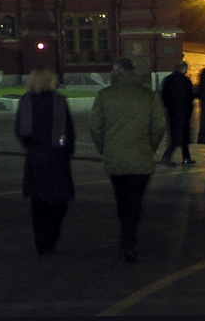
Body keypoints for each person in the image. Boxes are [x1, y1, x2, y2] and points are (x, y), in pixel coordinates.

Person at [89, 57, 165, 262]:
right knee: (135, 202)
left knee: (122, 200)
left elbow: (95, 126)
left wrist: (105, 148)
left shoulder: (104, 95)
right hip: (141, 158)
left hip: (115, 158)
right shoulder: (147, 95)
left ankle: (126, 237)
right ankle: (129, 241)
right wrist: (150, 148)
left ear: (116, 73)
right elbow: (159, 126)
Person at [14, 66, 75, 255]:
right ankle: (51, 235)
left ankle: (41, 238)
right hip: (57, 156)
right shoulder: (59, 101)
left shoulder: (26, 101)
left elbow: (20, 130)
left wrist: (31, 147)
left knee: (38, 201)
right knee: (59, 201)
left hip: (36, 156)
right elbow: (69, 131)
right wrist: (67, 151)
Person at [160, 60, 196, 166]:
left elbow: (164, 96)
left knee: (177, 135)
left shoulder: (168, 80)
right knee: (180, 137)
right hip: (183, 112)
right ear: (184, 70)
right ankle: (167, 156)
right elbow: (190, 97)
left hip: (172, 112)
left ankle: (186, 157)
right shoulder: (186, 80)